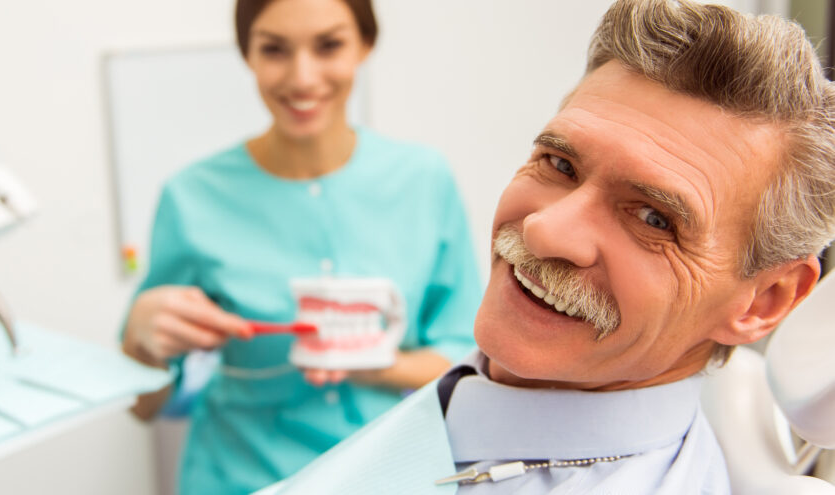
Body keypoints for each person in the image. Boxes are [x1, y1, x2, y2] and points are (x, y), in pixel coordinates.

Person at [257, 0, 835, 493]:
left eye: (654, 217)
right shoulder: (474, 406)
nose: (543, 231)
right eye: (559, 163)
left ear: (765, 300)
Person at [120, 0, 482, 493]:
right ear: (247, 53)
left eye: (329, 45)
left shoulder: (424, 180)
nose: (302, 77)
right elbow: (144, 407)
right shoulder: (192, 197)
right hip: (240, 478)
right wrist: (139, 344)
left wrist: (380, 365)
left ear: (365, 45)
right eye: (274, 50)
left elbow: (466, 365)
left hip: (390, 475)